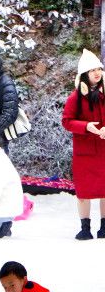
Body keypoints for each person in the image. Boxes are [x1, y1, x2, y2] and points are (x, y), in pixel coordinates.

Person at [61, 49, 105, 240]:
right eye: (92, 70)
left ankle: (104, 226)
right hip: (84, 153)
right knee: (84, 192)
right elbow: (66, 121)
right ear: (84, 75)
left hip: (103, 150)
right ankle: (85, 227)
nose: (97, 73)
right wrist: (87, 126)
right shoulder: (75, 97)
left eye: (99, 69)